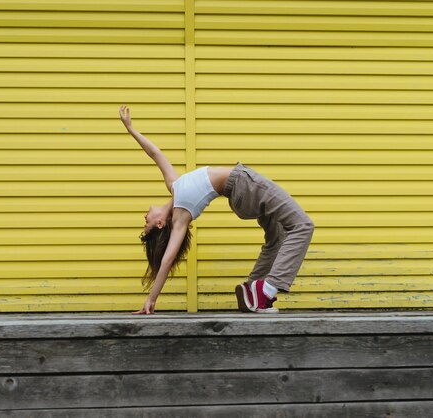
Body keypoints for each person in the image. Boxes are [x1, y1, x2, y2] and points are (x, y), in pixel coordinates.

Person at [120, 105, 315, 315]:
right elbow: (167, 260)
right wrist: (151, 299)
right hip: (243, 184)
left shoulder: (175, 186)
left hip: (240, 194)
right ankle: (266, 290)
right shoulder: (180, 215)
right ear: (160, 223)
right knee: (303, 225)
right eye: (147, 223)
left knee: (276, 237)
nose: (144, 217)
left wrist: (131, 129)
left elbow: (155, 153)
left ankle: (252, 289)